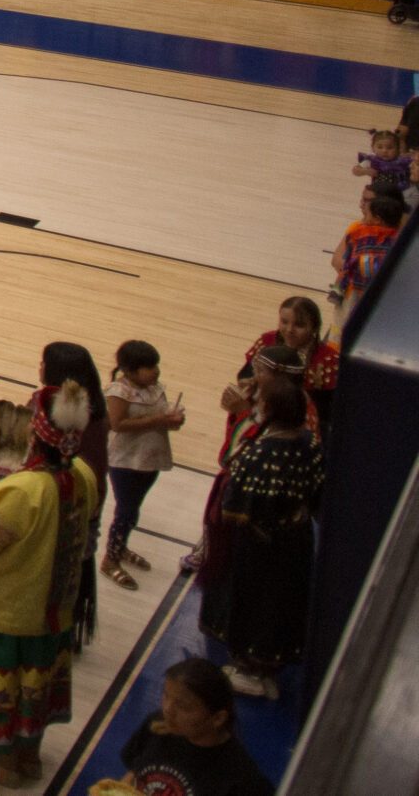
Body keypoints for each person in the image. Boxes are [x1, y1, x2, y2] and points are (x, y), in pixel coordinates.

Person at [0, 383, 101, 787]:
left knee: (6, 689)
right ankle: (29, 756)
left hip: (13, 613)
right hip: (58, 610)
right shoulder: (85, 475)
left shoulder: (22, 489)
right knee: (38, 686)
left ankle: (3, 764)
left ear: (35, 435)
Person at [200, 375, 321, 698]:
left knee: (256, 606)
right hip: (296, 541)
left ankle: (249, 668)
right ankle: (269, 667)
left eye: (259, 401)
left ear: (270, 408)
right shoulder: (310, 443)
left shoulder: (260, 454)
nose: (254, 404)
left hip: (260, 549)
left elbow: (235, 505)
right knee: (285, 605)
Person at [106, 660, 276, 796]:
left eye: (184, 706)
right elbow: (135, 772)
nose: (168, 710)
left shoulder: (241, 778)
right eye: (166, 696)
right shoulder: (157, 725)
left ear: (217, 718)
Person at [103, 339, 184, 587]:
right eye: (149, 366)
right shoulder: (119, 391)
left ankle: (121, 547)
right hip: (126, 461)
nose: (156, 370)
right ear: (130, 370)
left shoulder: (155, 387)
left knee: (132, 510)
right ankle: (110, 559)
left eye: (156, 365)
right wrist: (159, 420)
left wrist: (174, 420)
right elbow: (117, 424)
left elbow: (162, 417)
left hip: (150, 458)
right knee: (125, 511)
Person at [331, 185, 404, 329]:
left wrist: (357, 266)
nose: (361, 204)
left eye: (367, 201)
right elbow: (337, 260)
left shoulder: (402, 237)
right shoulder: (357, 228)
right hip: (351, 297)